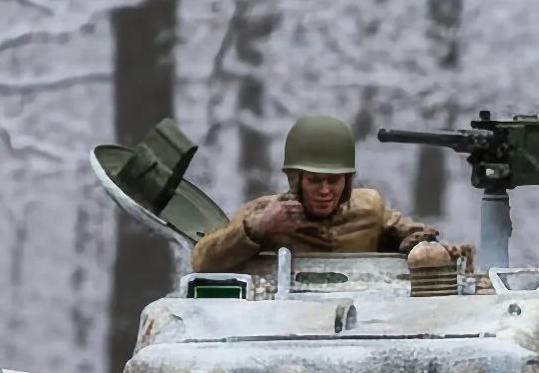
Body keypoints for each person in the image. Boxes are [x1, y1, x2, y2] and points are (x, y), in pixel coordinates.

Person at [188, 114, 465, 275]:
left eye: (334, 181)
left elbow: (413, 234)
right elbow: (202, 262)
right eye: (314, 181)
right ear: (295, 179)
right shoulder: (263, 215)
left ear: (348, 181)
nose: (324, 191)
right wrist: (258, 229)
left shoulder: (369, 208)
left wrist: (425, 245)